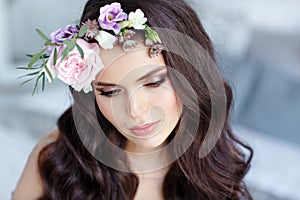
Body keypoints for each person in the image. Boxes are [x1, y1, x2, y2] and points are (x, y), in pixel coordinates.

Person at [13, 0, 253, 199]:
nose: (135, 111)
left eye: (153, 83)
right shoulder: (58, 160)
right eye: (109, 92)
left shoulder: (217, 169)